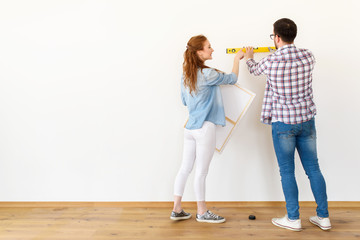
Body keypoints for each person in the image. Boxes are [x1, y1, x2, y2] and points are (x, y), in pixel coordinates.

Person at [244, 18, 331, 231]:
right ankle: (324, 217)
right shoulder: (308, 56)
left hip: (283, 123)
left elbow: (254, 70)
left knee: (287, 171)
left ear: (277, 37)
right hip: (306, 120)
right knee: (313, 168)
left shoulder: (271, 61)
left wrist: (248, 57)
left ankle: (293, 219)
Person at [171, 35, 244, 223]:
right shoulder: (207, 74)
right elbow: (232, 78)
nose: (212, 50)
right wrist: (236, 59)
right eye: (209, 47)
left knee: (185, 168)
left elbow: (184, 101)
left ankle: (176, 209)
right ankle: (202, 212)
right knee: (201, 172)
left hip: (189, 128)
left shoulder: (186, 74)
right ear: (199, 52)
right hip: (204, 128)